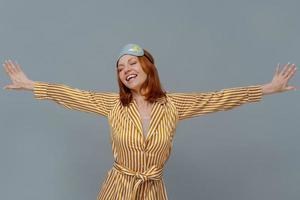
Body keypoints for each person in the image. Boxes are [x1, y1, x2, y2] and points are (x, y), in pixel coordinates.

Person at [2, 44, 297, 200]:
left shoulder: (173, 104)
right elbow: (71, 94)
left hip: (153, 190)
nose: (125, 70)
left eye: (132, 63)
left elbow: (217, 98)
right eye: (120, 67)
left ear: (147, 67)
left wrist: (267, 89)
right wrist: (30, 84)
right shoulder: (113, 104)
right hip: (117, 189)